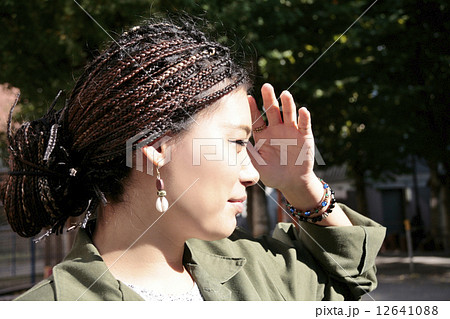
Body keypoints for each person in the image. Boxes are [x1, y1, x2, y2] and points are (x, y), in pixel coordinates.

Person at [2, 19, 385, 301]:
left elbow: (350, 277)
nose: (254, 174)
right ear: (154, 148)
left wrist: (300, 186)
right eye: (236, 142)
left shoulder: (257, 270)